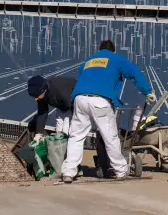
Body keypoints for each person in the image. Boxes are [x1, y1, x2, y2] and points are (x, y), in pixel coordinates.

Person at [60, 40, 155, 183]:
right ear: (114, 51)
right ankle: (121, 170)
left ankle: (68, 172)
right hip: (100, 100)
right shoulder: (116, 58)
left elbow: (81, 73)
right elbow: (134, 73)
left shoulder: (90, 60)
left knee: (76, 136)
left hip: (80, 98)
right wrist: (147, 92)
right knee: (110, 137)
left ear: (99, 50)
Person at [27, 74, 76, 141]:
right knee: (59, 128)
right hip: (61, 104)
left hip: (73, 102)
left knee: (66, 129)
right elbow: (42, 112)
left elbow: (73, 107)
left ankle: (67, 147)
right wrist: (39, 133)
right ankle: (60, 146)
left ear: (44, 90)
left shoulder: (61, 92)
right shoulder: (41, 94)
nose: (35, 99)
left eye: (36, 96)